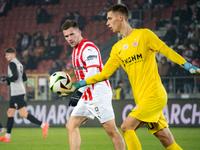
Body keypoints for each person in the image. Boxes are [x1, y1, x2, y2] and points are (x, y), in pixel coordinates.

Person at [62, 4, 200, 150]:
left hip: (154, 94)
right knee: (165, 138)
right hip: (141, 98)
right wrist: (80, 84)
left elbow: (166, 50)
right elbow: (104, 74)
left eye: (109, 19)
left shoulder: (144, 35)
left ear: (120, 18)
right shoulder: (117, 48)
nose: (107, 23)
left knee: (127, 127)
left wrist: (187, 65)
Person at [61, 20, 125, 150]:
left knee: (110, 130)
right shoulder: (75, 51)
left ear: (79, 32)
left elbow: (92, 73)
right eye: (66, 36)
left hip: (98, 92)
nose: (69, 38)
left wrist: (78, 92)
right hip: (87, 93)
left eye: (72, 34)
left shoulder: (88, 48)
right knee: (71, 125)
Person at [0, 47, 49, 143]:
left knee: (23, 114)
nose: (6, 57)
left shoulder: (12, 64)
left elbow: (15, 76)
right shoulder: (20, 64)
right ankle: (7, 136)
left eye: (7, 55)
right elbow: (24, 78)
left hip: (17, 93)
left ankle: (43, 125)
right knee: (10, 112)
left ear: (12, 54)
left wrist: (6, 79)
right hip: (17, 91)